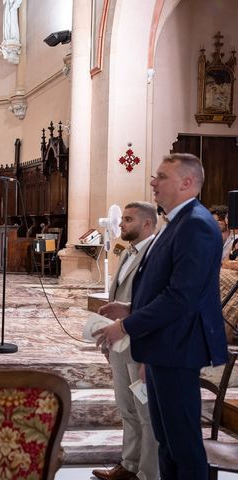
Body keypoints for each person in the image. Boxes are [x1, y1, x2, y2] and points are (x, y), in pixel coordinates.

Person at [96, 153, 228, 480]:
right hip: (163, 346)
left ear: (186, 183)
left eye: (161, 177)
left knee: (183, 447)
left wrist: (125, 326)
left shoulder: (196, 224)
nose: (153, 182)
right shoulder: (177, 222)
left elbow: (181, 296)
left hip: (178, 347)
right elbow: (166, 286)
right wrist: (131, 308)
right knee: (167, 443)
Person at [93, 202, 159, 480]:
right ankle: (129, 466)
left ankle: (148, 474)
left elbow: (157, 303)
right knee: (127, 408)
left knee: (147, 414)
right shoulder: (128, 252)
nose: (120, 224)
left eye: (128, 220)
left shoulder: (156, 255)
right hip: (120, 341)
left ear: (147, 224)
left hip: (141, 341)